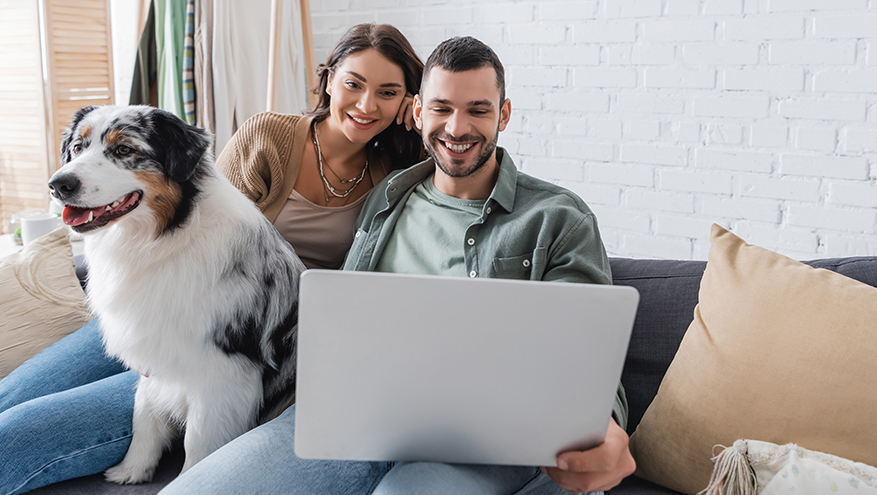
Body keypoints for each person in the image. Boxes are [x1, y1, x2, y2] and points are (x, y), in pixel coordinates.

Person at [158, 36, 635, 495]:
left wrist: (606, 429)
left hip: (484, 445)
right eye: (442, 108)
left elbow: (589, 352)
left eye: (478, 110)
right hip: (359, 419)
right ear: (418, 112)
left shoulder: (559, 218)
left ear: (503, 115)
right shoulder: (385, 196)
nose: (456, 128)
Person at [0, 23, 424, 495]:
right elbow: (198, 216)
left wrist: (429, 120)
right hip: (156, 300)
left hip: (242, 338)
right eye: (354, 83)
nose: (367, 104)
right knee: (9, 399)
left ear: (410, 101)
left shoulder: (403, 175)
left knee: (15, 438)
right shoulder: (271, 136)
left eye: (389, 91)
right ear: (329, 81)